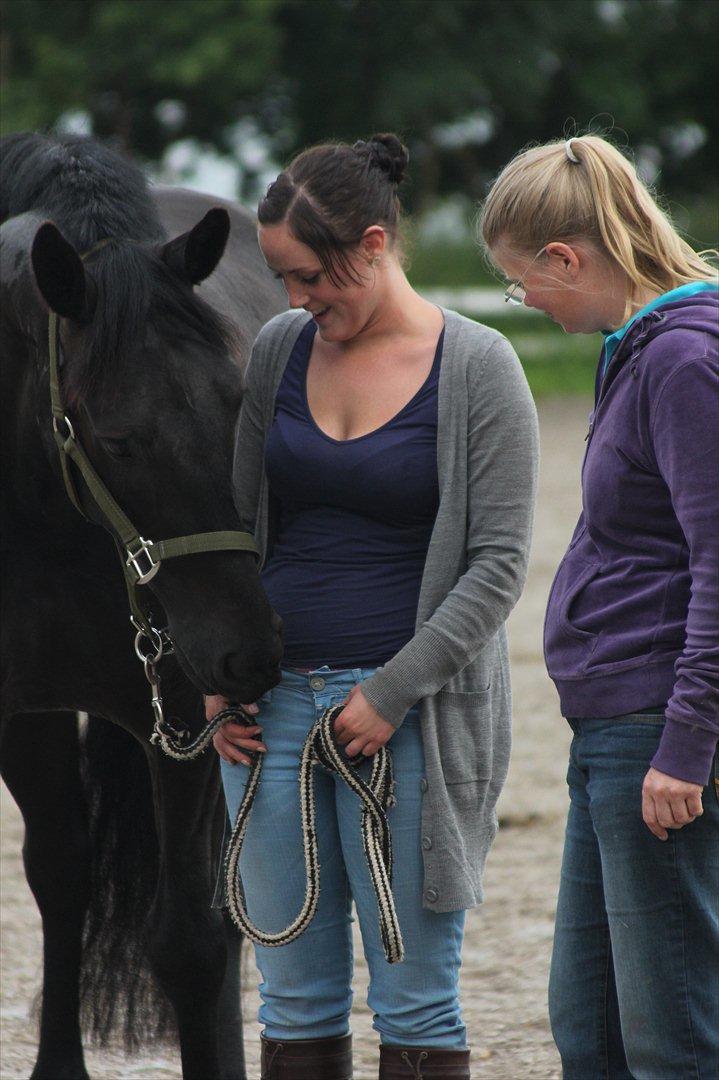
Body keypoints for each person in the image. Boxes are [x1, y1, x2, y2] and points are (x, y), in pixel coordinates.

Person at [204, 133, 538, 1080]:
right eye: (282, 278)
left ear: (376, 244)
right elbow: (238, 522)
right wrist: (216, 678)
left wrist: (392, 692)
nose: (297, 298)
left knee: (416, 1000)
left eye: (311, 275)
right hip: (267, 715)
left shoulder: (479, 369)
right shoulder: (278, 351)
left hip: (409, 723)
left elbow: (499, 562)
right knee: (292, 998)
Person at [481, 134, 719, 1080]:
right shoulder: (638, 351)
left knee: (672, 1034)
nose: (525, 301)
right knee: (590, 1026)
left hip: (654, 728)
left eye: (519, 283)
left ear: (566, 260)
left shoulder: (683, 364)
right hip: (609, 726)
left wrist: (686, 742)